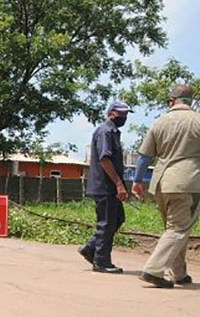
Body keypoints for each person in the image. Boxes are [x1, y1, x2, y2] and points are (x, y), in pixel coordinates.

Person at [132, 85, 200, 288]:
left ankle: (179, 274)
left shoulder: (158, 123)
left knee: (174, 228)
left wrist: (137, 181)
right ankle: (153, 271)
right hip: (187, 182)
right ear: (191, 102)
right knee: (178, 228)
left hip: (160, 184)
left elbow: (144, 156)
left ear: (172, 101)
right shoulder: (197, 121)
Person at [78, 100, 132, 274]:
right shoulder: (105, 132)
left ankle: (91, 248)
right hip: (105, 187)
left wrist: (121, 186)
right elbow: (105, 159)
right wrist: (118, 185)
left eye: (125, 114)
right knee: (107, 223)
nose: (123, 117)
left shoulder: (113, 132)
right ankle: (101, 261)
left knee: (117, 219)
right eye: (120, 114)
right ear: (111, 114)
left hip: (111, 187)